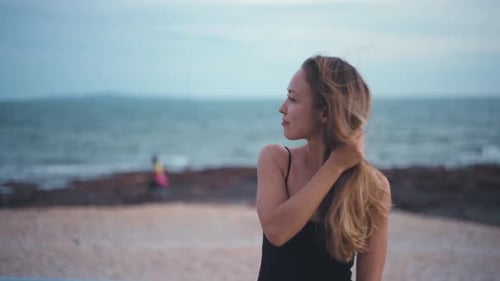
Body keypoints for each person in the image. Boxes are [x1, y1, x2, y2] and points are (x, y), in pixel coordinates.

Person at [256, 55, 391, 281]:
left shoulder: (373, 188)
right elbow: (277, 232)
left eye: (292, 99)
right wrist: (335, 166)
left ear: (325, 113)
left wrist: (337, 165)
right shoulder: (277, 160)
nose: (282, 108)